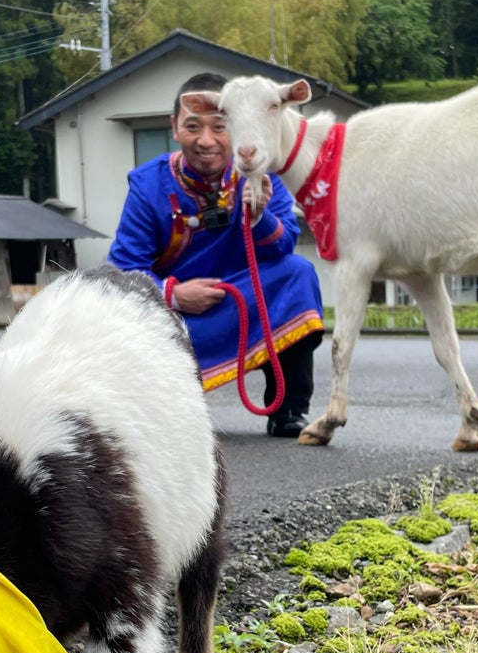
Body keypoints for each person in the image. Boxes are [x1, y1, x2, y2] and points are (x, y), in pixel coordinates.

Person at [107, 72, 325, 438]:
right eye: (193, 127)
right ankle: (159, 408)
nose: (206, 141)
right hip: (177, 319)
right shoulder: (148, 186)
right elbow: (123, 272)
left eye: (220, 127)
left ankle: (288, 408)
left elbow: (285, 243)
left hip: (243, 301)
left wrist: (259, 217)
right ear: (175, 127)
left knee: (298, 274)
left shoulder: (260, 171)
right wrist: (174, 295)